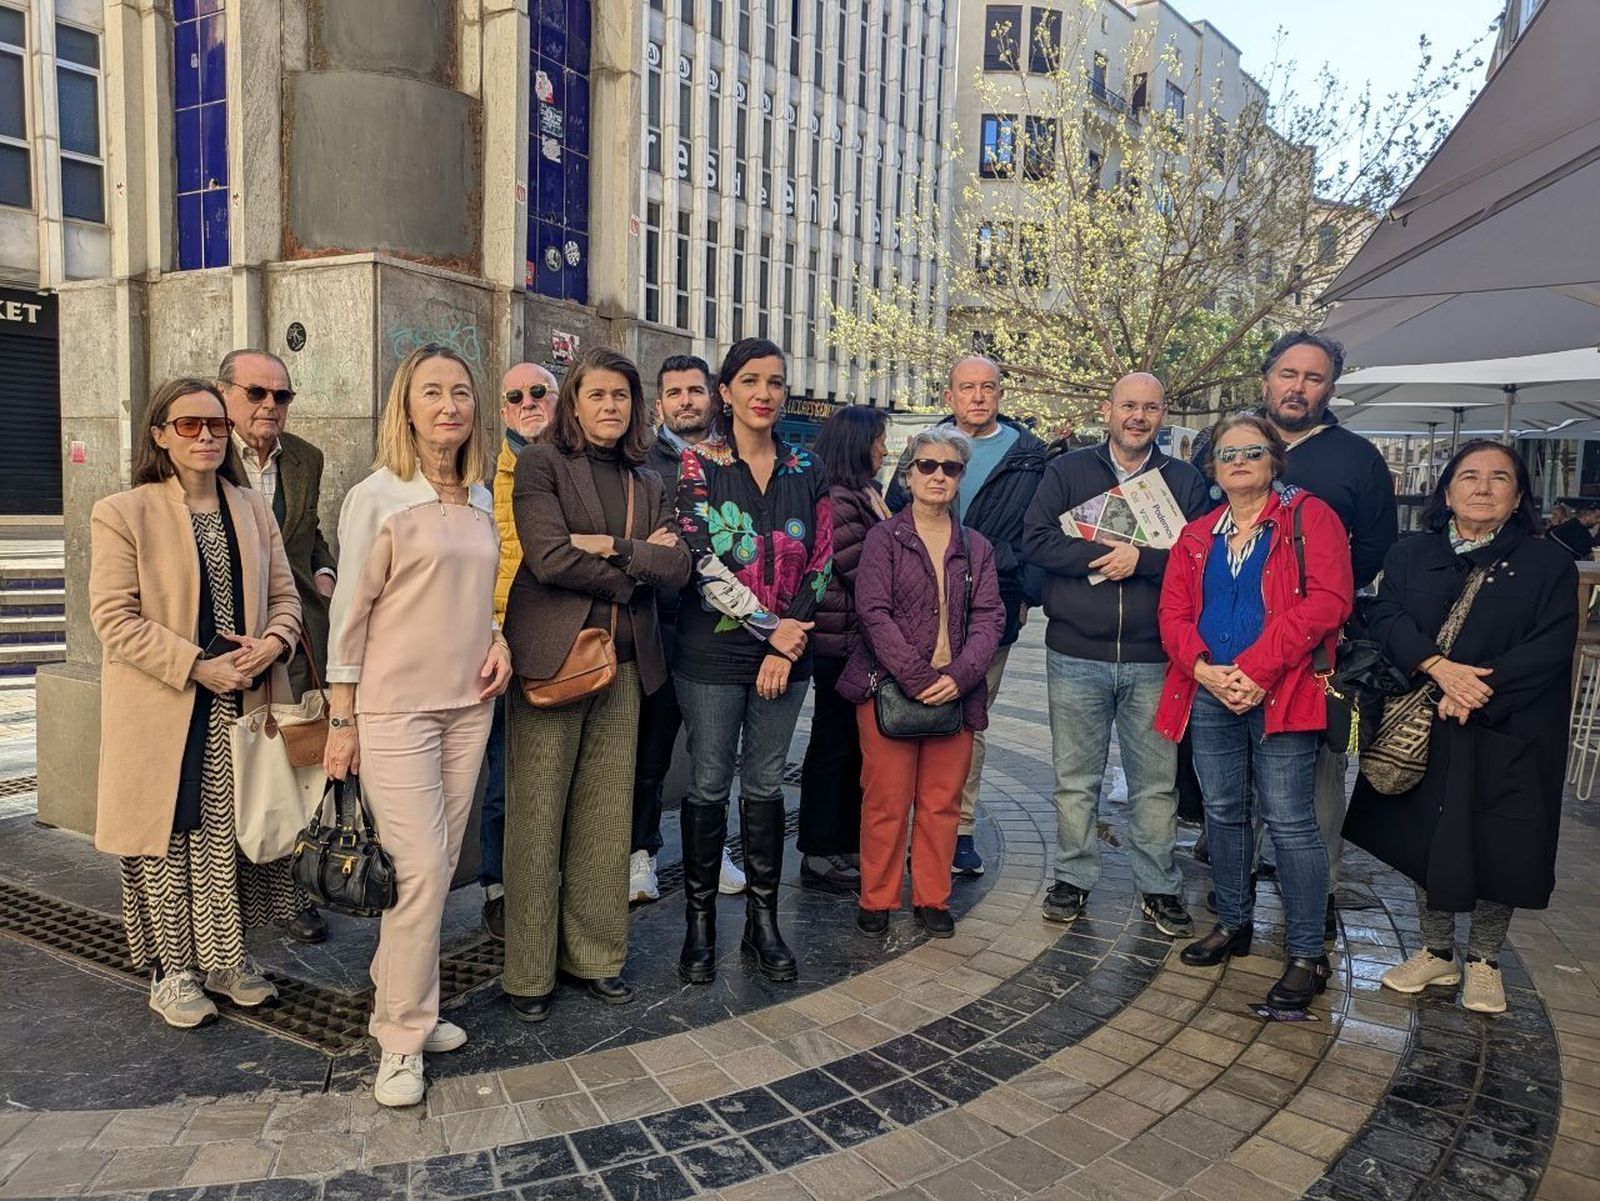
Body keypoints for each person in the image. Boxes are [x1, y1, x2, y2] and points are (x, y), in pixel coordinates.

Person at [323, 345, 511, 1108]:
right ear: (406, 405)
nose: (449, 405)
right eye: (432, 391)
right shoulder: (378, 496)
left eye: (461, 392)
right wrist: (342, 715)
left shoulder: (476, 494)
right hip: (395, 707)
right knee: (423, 871)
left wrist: (497, 639)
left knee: (436, 867)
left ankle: (404, 991)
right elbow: (348, 614)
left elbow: (482, 596)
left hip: (469, 704)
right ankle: (400, 1037)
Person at [89, 378, 303, 1029]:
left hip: (243, 703)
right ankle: (172, 970)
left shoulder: (251, 508)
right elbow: (113, 617)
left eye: (215, 424)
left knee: (235, 836)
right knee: (172, 839)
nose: (206, 436)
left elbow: (287, 598)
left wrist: (272, 644)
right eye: (188, 425)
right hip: (170, 706)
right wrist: (195, 666)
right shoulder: (124, 511)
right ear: (159, 434)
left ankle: (228, 960)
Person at [1347, 442, 1576, 1014]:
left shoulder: (1547, 563)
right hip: (1429, 715)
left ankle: (1485, 960)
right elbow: (1386, 616)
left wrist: (1475, 692)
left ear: (1519, 495)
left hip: (1509, 723)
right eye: (1468, 476)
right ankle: (1437, 951)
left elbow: (1550, 645)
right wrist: (1437, 668)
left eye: (1500, 478)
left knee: (1502, 838)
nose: (1482, 486)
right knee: (1430, 833)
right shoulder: (1410, 553)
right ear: (1446, 492)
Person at [501, 348, 690, 1022]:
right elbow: (549, 558)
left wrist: (611, 548)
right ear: (573, 404)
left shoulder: (650, 477)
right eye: (597, 394)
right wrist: (638, 566)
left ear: (637, 407)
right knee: (537, 817)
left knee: (607, 820)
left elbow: (679, 565)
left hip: (632, 662)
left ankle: (596, 957)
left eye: (622, 395)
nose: (610, 405)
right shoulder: (541, 464)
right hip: (556, 658)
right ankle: (527, 973)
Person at [1194, 331, 1398, 935]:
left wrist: (1305, 599)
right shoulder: (1228, 440)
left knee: (1305, 803)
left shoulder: (1355, 458)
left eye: (1312, 378)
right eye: (1288, 374)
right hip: (1221, 664)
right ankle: (1235, 907)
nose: (1298, 387)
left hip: (1307, 661)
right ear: (1267, 380)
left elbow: (1374, 550)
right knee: (1228, 805)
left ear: (1330, 388)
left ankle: (1314, 902)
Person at [1155, 414, 1352, 1011]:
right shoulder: (1196, 534)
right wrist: (1206, 671)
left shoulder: (1307, 517)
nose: (1240, 460)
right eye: (1227, 452)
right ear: (1212, 466)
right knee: (1223, 811)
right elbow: (1173, 616)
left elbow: (1329, 602)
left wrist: (1256, 670)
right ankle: (1235, 921)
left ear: (1274, 461)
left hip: (1284, 694)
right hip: (1212, 692)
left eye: (1253, 451)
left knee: (1292, 823)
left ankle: (1304, 952)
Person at [1021, 373, 1211, 936]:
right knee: (1075, 778)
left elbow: (1200, 556)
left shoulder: (1184, 480)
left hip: (1157, 657)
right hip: (1076, 651)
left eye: (1150, 408)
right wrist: (1100, 555)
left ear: (1163, 414)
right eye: (1129, 405)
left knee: (1156, 782)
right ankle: (1073, 878)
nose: (1138, 416)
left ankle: (1159, 886)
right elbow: (1034, 540)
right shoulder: (1066, 471)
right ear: (1108, 410)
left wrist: (1143, 562)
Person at [673, 338, 832, 985]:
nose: (765, 393)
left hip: (788, 655)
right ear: (726, 390)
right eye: (751, 381)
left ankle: (762, 923)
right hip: (712, 653)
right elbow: (702, 563)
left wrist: (784, 639)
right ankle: (700, 924)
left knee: (765, 784)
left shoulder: (806, 467)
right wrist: (773, 631)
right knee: (709, 782)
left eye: (776, 381)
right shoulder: (697, 463)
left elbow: (822, 557)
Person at [838, 428, 1004, 937]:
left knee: (941, 801)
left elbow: (990, 618)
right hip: (889, 689)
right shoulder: (884, 539)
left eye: (949, 468)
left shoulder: (976, 546)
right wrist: (915, 676)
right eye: (927, 466)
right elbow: (872, 611)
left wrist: (957, 677)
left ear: (960, 478)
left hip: (956, 694)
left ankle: (933, 896)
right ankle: (878, 898)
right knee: (886, 800)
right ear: (907, 475)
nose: (938, 475)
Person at [886, 356, 1045, 876]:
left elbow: (1038, 533)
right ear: (949, 394)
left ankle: (959, 829)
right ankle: (910, 827)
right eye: (966, 387)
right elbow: (893, 516)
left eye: (987, 388)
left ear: (1001, 394)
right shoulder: (922, 447)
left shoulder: (1029, 457)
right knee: (907, 715)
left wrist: (1019, 591)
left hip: (988, 610)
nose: (977, 396)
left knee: (968, 722)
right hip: (915, 609)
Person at [219, 348, 337, 946]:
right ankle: (230, 890)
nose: (270, 405)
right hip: (227, 641)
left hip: (295, 634)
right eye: (256, 393)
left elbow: (309, 535)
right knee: (233, 766)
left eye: (281, 395)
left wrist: (326, 574)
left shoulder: (306, 460)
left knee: (293, 760)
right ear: (225, 396)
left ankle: (294, 890)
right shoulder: (206, 456)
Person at [630, 355, 746, 904]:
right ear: (659, 405)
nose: (685, 401)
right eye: (673, 393)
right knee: (648, 753)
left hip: (720, 627)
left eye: (694, 391)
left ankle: (710, 847)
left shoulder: (739, 458)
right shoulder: (641, 462)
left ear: (714, 397)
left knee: (713, 751)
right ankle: (640, 855)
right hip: (658, 621)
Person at [800, 405, 892, 891]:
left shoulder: (867, 492)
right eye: (879, 439)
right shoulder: (838, 498)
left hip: (858, 639)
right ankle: (818, 849)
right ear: (858, 443)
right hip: (839, 642)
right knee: (833, 744)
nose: (885, 448)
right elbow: (866, 571)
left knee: (855, 746)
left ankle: (845, 842)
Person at [481, 361, 557, 940]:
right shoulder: (484, 475)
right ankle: (497, 890)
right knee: (504, 778)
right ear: (504, 410)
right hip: (501, 640)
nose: (529, 401)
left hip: (564, 640)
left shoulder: (574, 466)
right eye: (517, 395)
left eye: (541, 392)